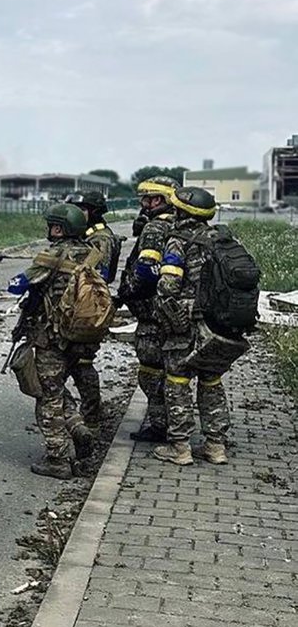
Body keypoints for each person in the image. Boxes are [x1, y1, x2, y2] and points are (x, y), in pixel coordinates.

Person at [149, 186, 253, 466]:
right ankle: (216, 446)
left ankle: (180, 447)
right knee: (211, 380)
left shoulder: (177, 240)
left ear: (181, 212)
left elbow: (168, 285)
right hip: (218, 323)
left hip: (186, 323)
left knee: (177, 380)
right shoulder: (221, 238)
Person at [7, 204, 109, 479]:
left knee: (47, 396)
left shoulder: (51, 255)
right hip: (81, 338)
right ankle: (78, 427)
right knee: (58, 387)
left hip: (51, 338)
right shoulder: (93, 253)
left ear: (58, 228)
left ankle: (58, 459)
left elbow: (16, 285)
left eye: (51, 225)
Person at [117, 176, 181, 442]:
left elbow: (145, 272)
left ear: (163, 200)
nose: (145, 204)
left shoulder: (155, 229)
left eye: (151, 199)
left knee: (151, 372)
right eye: (144, 198)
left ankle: (160, 426)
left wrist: (126, 293)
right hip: (175, 312)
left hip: (152, 314)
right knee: (173, 371)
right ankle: (177, 425)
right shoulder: (182, 225)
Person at [63, 190, 121, 435]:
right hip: (82, 305)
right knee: (76, 362)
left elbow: (97, 276)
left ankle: (91, 417)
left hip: (89, 309)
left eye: (82, 209)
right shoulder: (89, 235)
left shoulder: (100, 239)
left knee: (82, 363)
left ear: (94, 212)